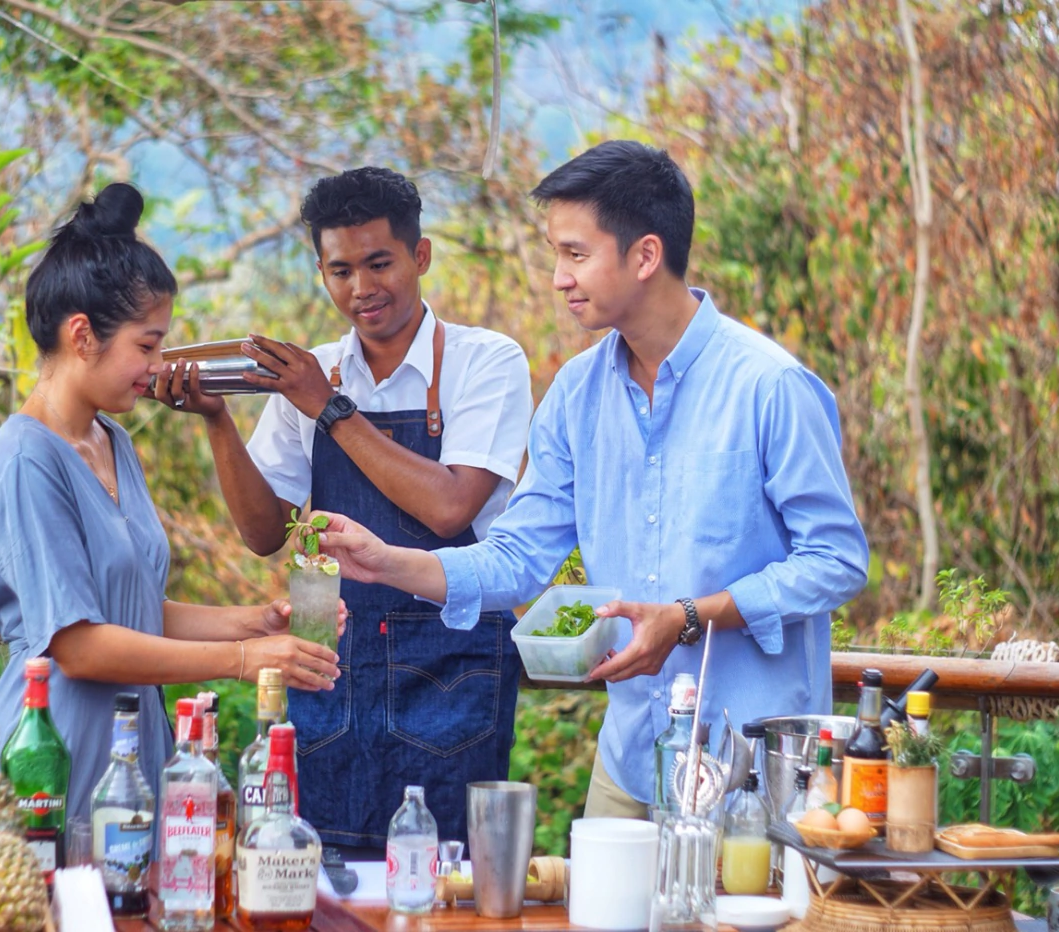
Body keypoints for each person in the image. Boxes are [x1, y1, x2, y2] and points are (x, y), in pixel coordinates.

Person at [316, 142, 869, 819]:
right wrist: (389, 562)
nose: (557, 277)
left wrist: (691, 617)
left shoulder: (769, 386)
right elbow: (518, 559)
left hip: (751, 763)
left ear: (644, 256)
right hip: (631, 758)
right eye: (557, 254)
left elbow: (837, 562)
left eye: (575, 255)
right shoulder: (576, 395)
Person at [154, 167, 533, 855]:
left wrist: (327, 408)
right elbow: (265, 533)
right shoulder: (313, 371)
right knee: (319, 875)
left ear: (420, 257)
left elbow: (452, 508)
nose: (362, 289)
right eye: (341, 270)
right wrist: (216, 422)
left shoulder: (486, 361)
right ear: (321, 272)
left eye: (380, 263)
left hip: (452, 673)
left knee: (443, 883)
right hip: (332, 665)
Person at [0, 183, 345, 820]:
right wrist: (241, 659)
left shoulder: (111, 439)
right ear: (82, 335)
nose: (159, 364)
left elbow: (134, 608)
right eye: (147, 346)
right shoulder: (25, 459)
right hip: (54, 754)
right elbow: (79, 645)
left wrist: (254, 622)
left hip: (129, 749)